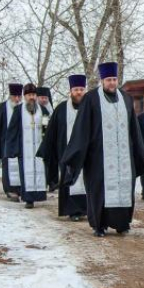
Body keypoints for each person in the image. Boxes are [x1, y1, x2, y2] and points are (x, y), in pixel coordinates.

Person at [61, 62, 144, 236]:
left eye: (114, 79)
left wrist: (139, 153)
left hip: (123, 157)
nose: (112, 83)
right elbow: (81, 129)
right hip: (98, 157)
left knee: (124, 188)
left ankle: (122, 223)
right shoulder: (91, 98)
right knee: (99, 191)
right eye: (108, 80)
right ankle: (99, 225)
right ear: (102, 80)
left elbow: (134, 130)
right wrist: (75, 156)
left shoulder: (126, 99)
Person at [40, 74, 89, 221]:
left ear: (85, 90)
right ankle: (72, 210)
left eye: (81, 89)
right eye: (76, 89)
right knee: (69, 179)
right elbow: (52, 132)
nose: (79, 92)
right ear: (71, 91)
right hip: (66, 153)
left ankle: (86, 209)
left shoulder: (91, 107)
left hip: (87, 153)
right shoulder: (61, 109)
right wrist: (47, 150)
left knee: (86, 180)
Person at [5, 84, 49, 209]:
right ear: (25, 96)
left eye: (34, 95)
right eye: (29, 95)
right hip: (24, 150)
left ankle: (38, 195)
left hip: (39, 148)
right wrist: (11, 149)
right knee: (26, 174)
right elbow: (12, 130)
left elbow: (46, 129)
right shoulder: (18, 110)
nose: (32, 97)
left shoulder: (43, 110)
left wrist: (46, 144)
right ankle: (28, 199)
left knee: (40, 172)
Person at [0, 83, 23, 200]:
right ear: (10, 96)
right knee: (8, 167)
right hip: (6, 143)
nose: (17, 99)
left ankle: (20, 189)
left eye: (19, 96)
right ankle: (10, 190)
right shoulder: (3, 107)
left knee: (20, 167)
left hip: (21, 143)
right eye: (14, 96)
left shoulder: (24, 107)